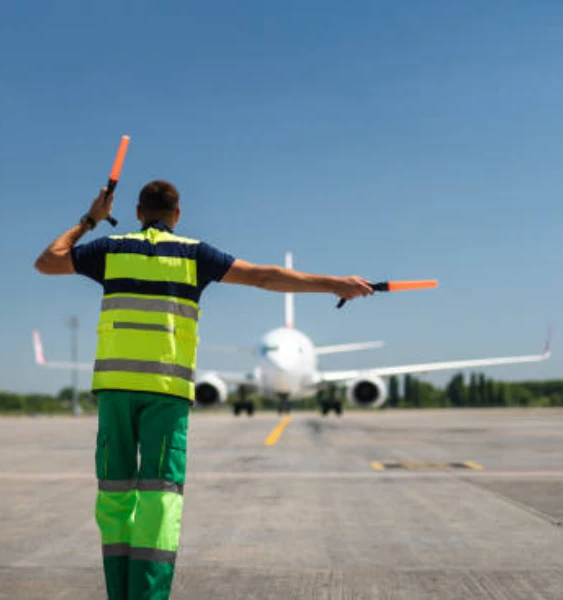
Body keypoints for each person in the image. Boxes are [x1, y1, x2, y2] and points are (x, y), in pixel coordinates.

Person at [34, 180, 372, 599]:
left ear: (138, 213)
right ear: (177, 216)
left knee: (115, 496)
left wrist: (90, 219)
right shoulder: (194, 254)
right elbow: (266, 278)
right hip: (167, 393)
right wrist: (334, 283)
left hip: (116, 390)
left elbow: (48, 261)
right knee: (159, 502)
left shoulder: (110, 249)